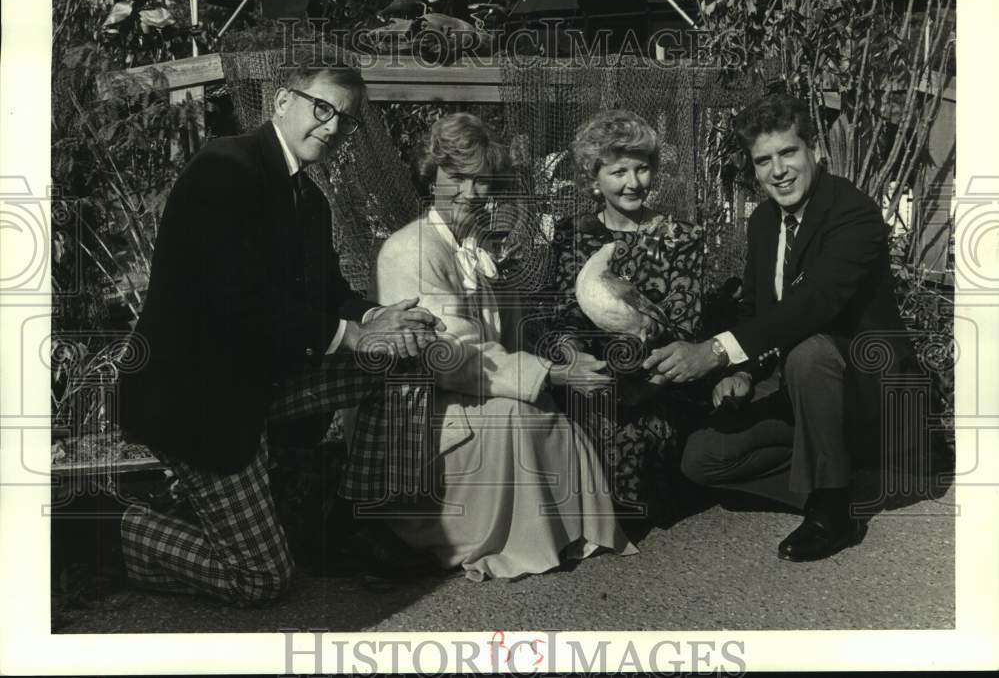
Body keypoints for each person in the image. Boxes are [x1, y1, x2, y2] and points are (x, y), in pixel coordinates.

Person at [117, 59, 443, 605]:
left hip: (264, 384)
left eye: (346, 119)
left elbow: (329, 291)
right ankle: (120, 529)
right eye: (323, 108)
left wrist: (376, 320)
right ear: (281, 101)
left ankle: (350, 521)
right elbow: (234, 301)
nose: (334, 126)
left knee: (403, 356)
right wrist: (349, 335)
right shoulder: (225, 168)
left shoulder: (309, 199)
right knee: (261, 579)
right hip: (199, 402)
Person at [342, 112, 636, 581]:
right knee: (519, 412)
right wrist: (550, 372)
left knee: (540, 406)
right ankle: (444, 533)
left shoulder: (475, 244)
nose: (468, 193)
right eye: (456, 177)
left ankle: (557, 532)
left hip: (462, 391)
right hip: (414, 414)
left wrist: (563, 355)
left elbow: (514, 329)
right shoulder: (410, 250)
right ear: (432, 175)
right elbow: (449, 354)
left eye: (480, 181)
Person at [642, 92, 913, 562]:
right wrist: (744, 371)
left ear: (814, 150)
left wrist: (715, 351)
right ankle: (836, 486)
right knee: (703, 459)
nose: (778, 171)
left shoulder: (854, 213)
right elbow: (755, 309)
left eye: (788, 152)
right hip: (798, 388)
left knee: (811, 351)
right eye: (763, 161)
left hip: (866, 393)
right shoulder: (765, 221)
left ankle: (832, 509)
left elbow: (815, 304)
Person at [547, 109, 707, 526]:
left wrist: (645, 389)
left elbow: (685, 324)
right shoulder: (573, 234)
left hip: (658, 379)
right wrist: (573, 364)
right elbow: (562, 315)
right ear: (593, 178)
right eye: (618, 171)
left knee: (633, 438)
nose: (633, 182)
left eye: (642, 168)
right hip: (590, 377)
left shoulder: (681, 237)